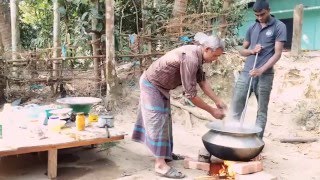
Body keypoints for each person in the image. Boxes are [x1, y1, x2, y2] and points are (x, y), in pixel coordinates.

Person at [132, 32, 227, 179]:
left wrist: (217, 100)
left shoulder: (198, 54)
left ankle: (166, 154)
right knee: (158, 121)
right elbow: (191, 96)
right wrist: (211, 111)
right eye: (215, 56)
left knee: (165, 120)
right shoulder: (190, 58)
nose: (215, 59)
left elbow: (202, 81)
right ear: (207, 49)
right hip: (151, 84)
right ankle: (160, 165)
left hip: (162, 87)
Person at [231, 0, 287, 139]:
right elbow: (241, 50)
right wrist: (251, 51)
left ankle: (256, 144)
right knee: (236, 106)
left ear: (268, 10)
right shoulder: (251, 28)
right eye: (257, 15)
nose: (260, 17)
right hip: (247, 73)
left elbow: (278, 53)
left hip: (265, 75)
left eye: (262, 14)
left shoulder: (279, 26)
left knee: (261, 111)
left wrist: (261, 70)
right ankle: (231, 137)